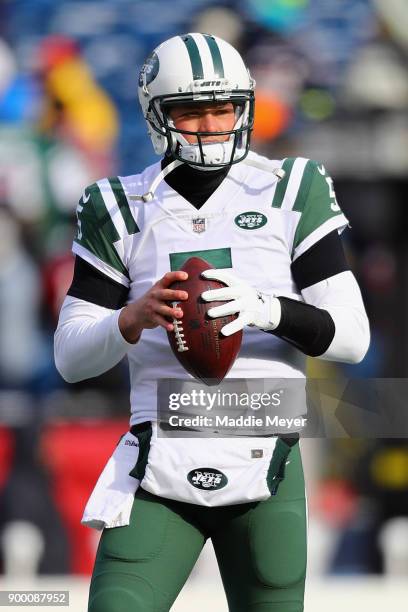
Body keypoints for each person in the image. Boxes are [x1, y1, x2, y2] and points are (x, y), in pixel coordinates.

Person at [54, 33, 370, 612]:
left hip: (265, 457)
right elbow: (71, 359)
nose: (211, 124)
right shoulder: (121, 204)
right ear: (157, 116)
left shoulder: (291, 188)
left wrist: (264, 308)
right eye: (192, 111)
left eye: (223, 108)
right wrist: (131, 317)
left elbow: (351, 337)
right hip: (160, 463)